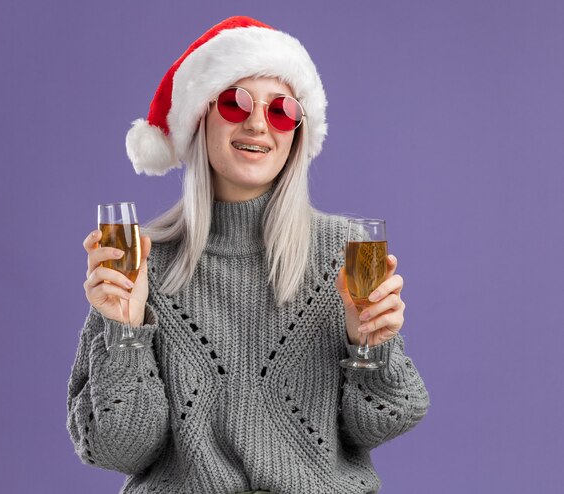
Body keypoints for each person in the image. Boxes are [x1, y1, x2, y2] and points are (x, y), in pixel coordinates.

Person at [67, 16, 429, 494]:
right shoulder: (139, 260)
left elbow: (380, 422)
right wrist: (125, 334)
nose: (258, 122)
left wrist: (370, 346)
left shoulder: (347, 252)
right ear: (201, 117)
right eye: (236, 103)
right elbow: (118, 449)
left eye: (281, 110)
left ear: (297, 133)